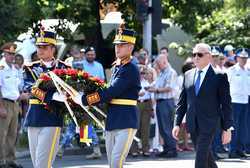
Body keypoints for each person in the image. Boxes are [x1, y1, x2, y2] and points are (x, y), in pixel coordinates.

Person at [72, 24, 140, 168]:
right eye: (117, 45)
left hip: (126, 119)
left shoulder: (130, 68)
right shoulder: (117, 66)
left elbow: (111, 92)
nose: (118, 48)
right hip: (113, 119)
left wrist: (85, 100)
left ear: (130, 47)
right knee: (111, 162)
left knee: (116, 162)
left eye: (122, 45)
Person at [172, 43, 233, 168]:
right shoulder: (188, 75)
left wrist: (227, 128)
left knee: (200, 157)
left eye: (199, 54)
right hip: (192, 123)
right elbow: (182, 102)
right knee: (206, 156)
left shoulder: (219, 76)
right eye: (194, 54)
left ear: (209, 56)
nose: (196, 57)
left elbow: (226, 104)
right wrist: (177, 124)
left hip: (210, 123)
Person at [23, 29, 70, 168]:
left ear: (53, 49)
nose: (40, 50)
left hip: (52, 118)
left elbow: (70, 89)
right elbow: (31, 89)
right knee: (37, 163)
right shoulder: (31, 68)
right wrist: (53, 95)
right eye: (39, 47)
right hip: (34, 117)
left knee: (42, 164)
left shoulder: (64, 67)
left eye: (44, 47)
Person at [0, 42, 27, 168]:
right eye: (9, 54)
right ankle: (1, 160)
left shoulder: (15, 69)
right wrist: (0, 107)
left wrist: (20, 103)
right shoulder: (1, 67)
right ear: (4, 54)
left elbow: (17, 88)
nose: (12, 56)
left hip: (15, 103)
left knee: (13, 133)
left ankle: (10, 159)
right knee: (2, 133)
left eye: (13, 54)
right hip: (4, 103)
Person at [147, 54, 178, 158]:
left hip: (167, 101)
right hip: (161, 102)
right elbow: (156, 84)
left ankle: (172, 149)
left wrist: (155, 90)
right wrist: (149, 87)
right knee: (162, 127)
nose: (157, 66)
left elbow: (169, 88)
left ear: (164, 62)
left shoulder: (171, 72)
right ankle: (167, 148)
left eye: (159, 64)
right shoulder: (162, 73)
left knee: (167, 127)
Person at [227, 48, 249, 158]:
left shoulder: (247, 71)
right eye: (241, 58)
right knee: (234, 127)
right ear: (237, 58)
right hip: (234, 101)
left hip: (245, 101)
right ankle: (232, 150)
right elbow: (226, 86)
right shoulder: (232, 70)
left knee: (243, 127)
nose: (244, 60)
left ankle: (240, 149)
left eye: (245, 58)